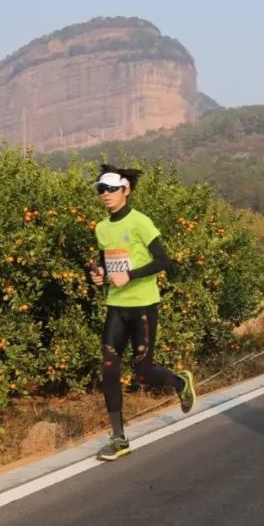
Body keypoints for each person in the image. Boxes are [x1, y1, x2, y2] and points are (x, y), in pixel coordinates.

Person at [88, 164, 196, 461]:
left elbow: (164, 260)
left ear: (126, 190)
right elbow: (105, 263)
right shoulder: (101, 228)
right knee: (109, 367)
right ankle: (119, 438)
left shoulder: (140, 222)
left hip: (143, 305)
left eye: (111, 188)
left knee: (142, 372)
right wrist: (98, 274)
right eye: (101, 189)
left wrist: (131, 275)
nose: (105, 194)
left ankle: (179, 382)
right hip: (116, 305)